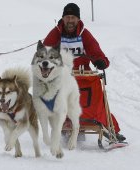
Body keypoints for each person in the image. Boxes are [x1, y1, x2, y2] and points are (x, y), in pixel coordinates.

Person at [43, 3, 126, 142]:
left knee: (97, 100)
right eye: (67, 17)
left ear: (78, 19)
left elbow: (98, 53)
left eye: (73, 17)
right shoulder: (56, 33)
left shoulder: (84, 34)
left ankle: (111, 129)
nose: (70, 20)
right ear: (63, 19)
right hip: (62, 77)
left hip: (83, 77)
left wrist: (101, 62)